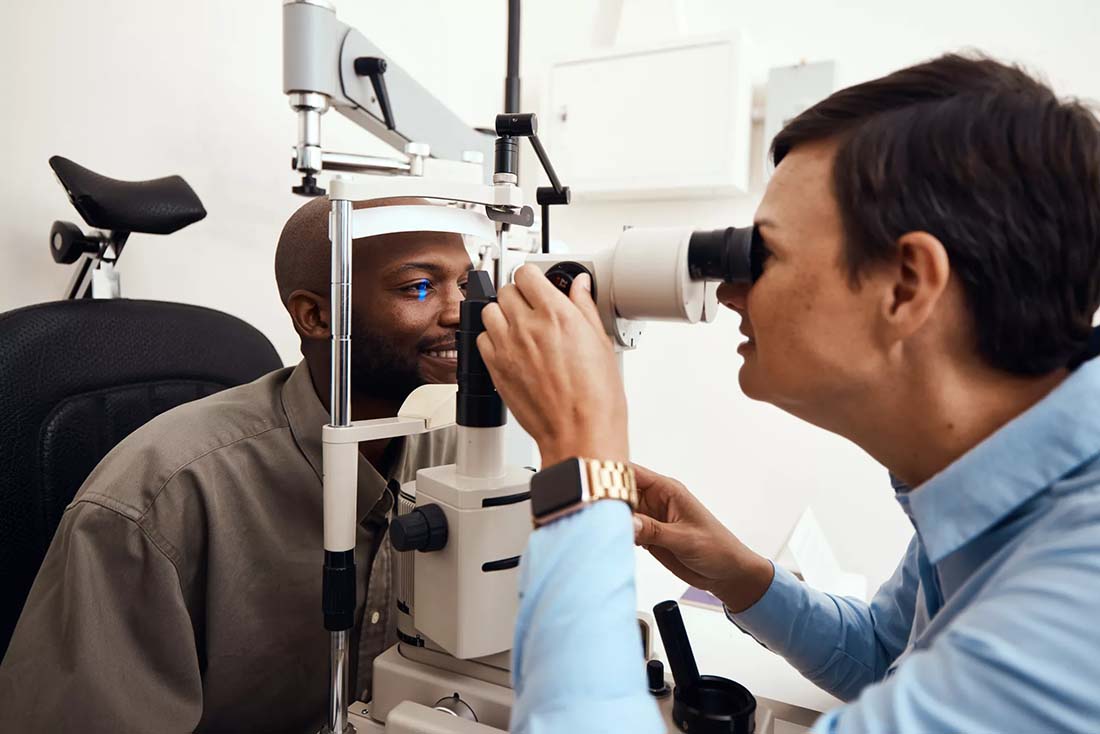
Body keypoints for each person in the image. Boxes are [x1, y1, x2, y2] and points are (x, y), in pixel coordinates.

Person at [482, 54, 1100, 732]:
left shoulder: (1075, 609)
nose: (728, 290)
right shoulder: (998, 484)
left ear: (906, 285)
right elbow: (888, 658)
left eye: (763, 256)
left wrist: (580, 459)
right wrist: (741, 578)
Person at [0, 197, 468, 733]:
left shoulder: (454, 448)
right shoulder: (157, 498)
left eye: (467, 284)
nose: (461, 311)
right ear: (317, 316)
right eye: (419, 288)